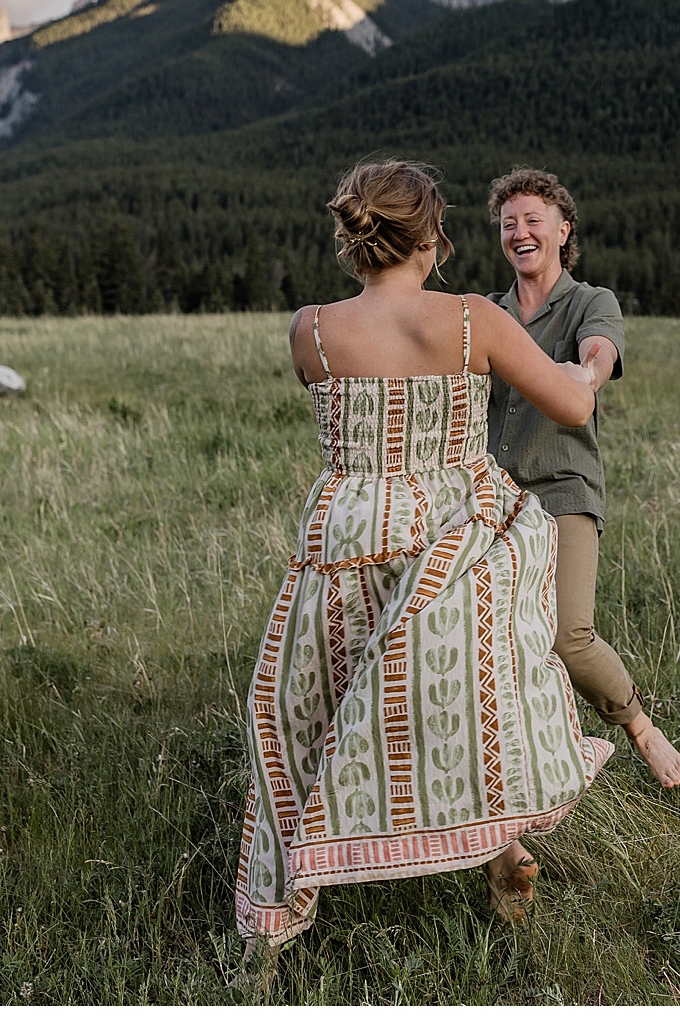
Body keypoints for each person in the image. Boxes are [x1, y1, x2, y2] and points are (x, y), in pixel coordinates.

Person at [234, 160, 613, 955]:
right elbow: (573, 403)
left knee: (316, 704)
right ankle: (500, 842)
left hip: (348, 528)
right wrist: (581, 367)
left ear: (356, 236)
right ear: (435, 238)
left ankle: (277, 919)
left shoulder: (311, 330)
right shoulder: (474, 319)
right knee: (478, 689)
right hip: (450, 523)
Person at [485, 168, 680, 789]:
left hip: (563, 489)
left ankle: (638, 727)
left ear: (563, 230)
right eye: (508, 223)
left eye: (532, 221)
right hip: (493, 499)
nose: (519, 233)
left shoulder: (589, 301)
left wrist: (585, 379)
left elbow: (599, 352)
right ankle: (521, 771)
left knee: (568, 636)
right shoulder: (488, 313)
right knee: (492, 645)